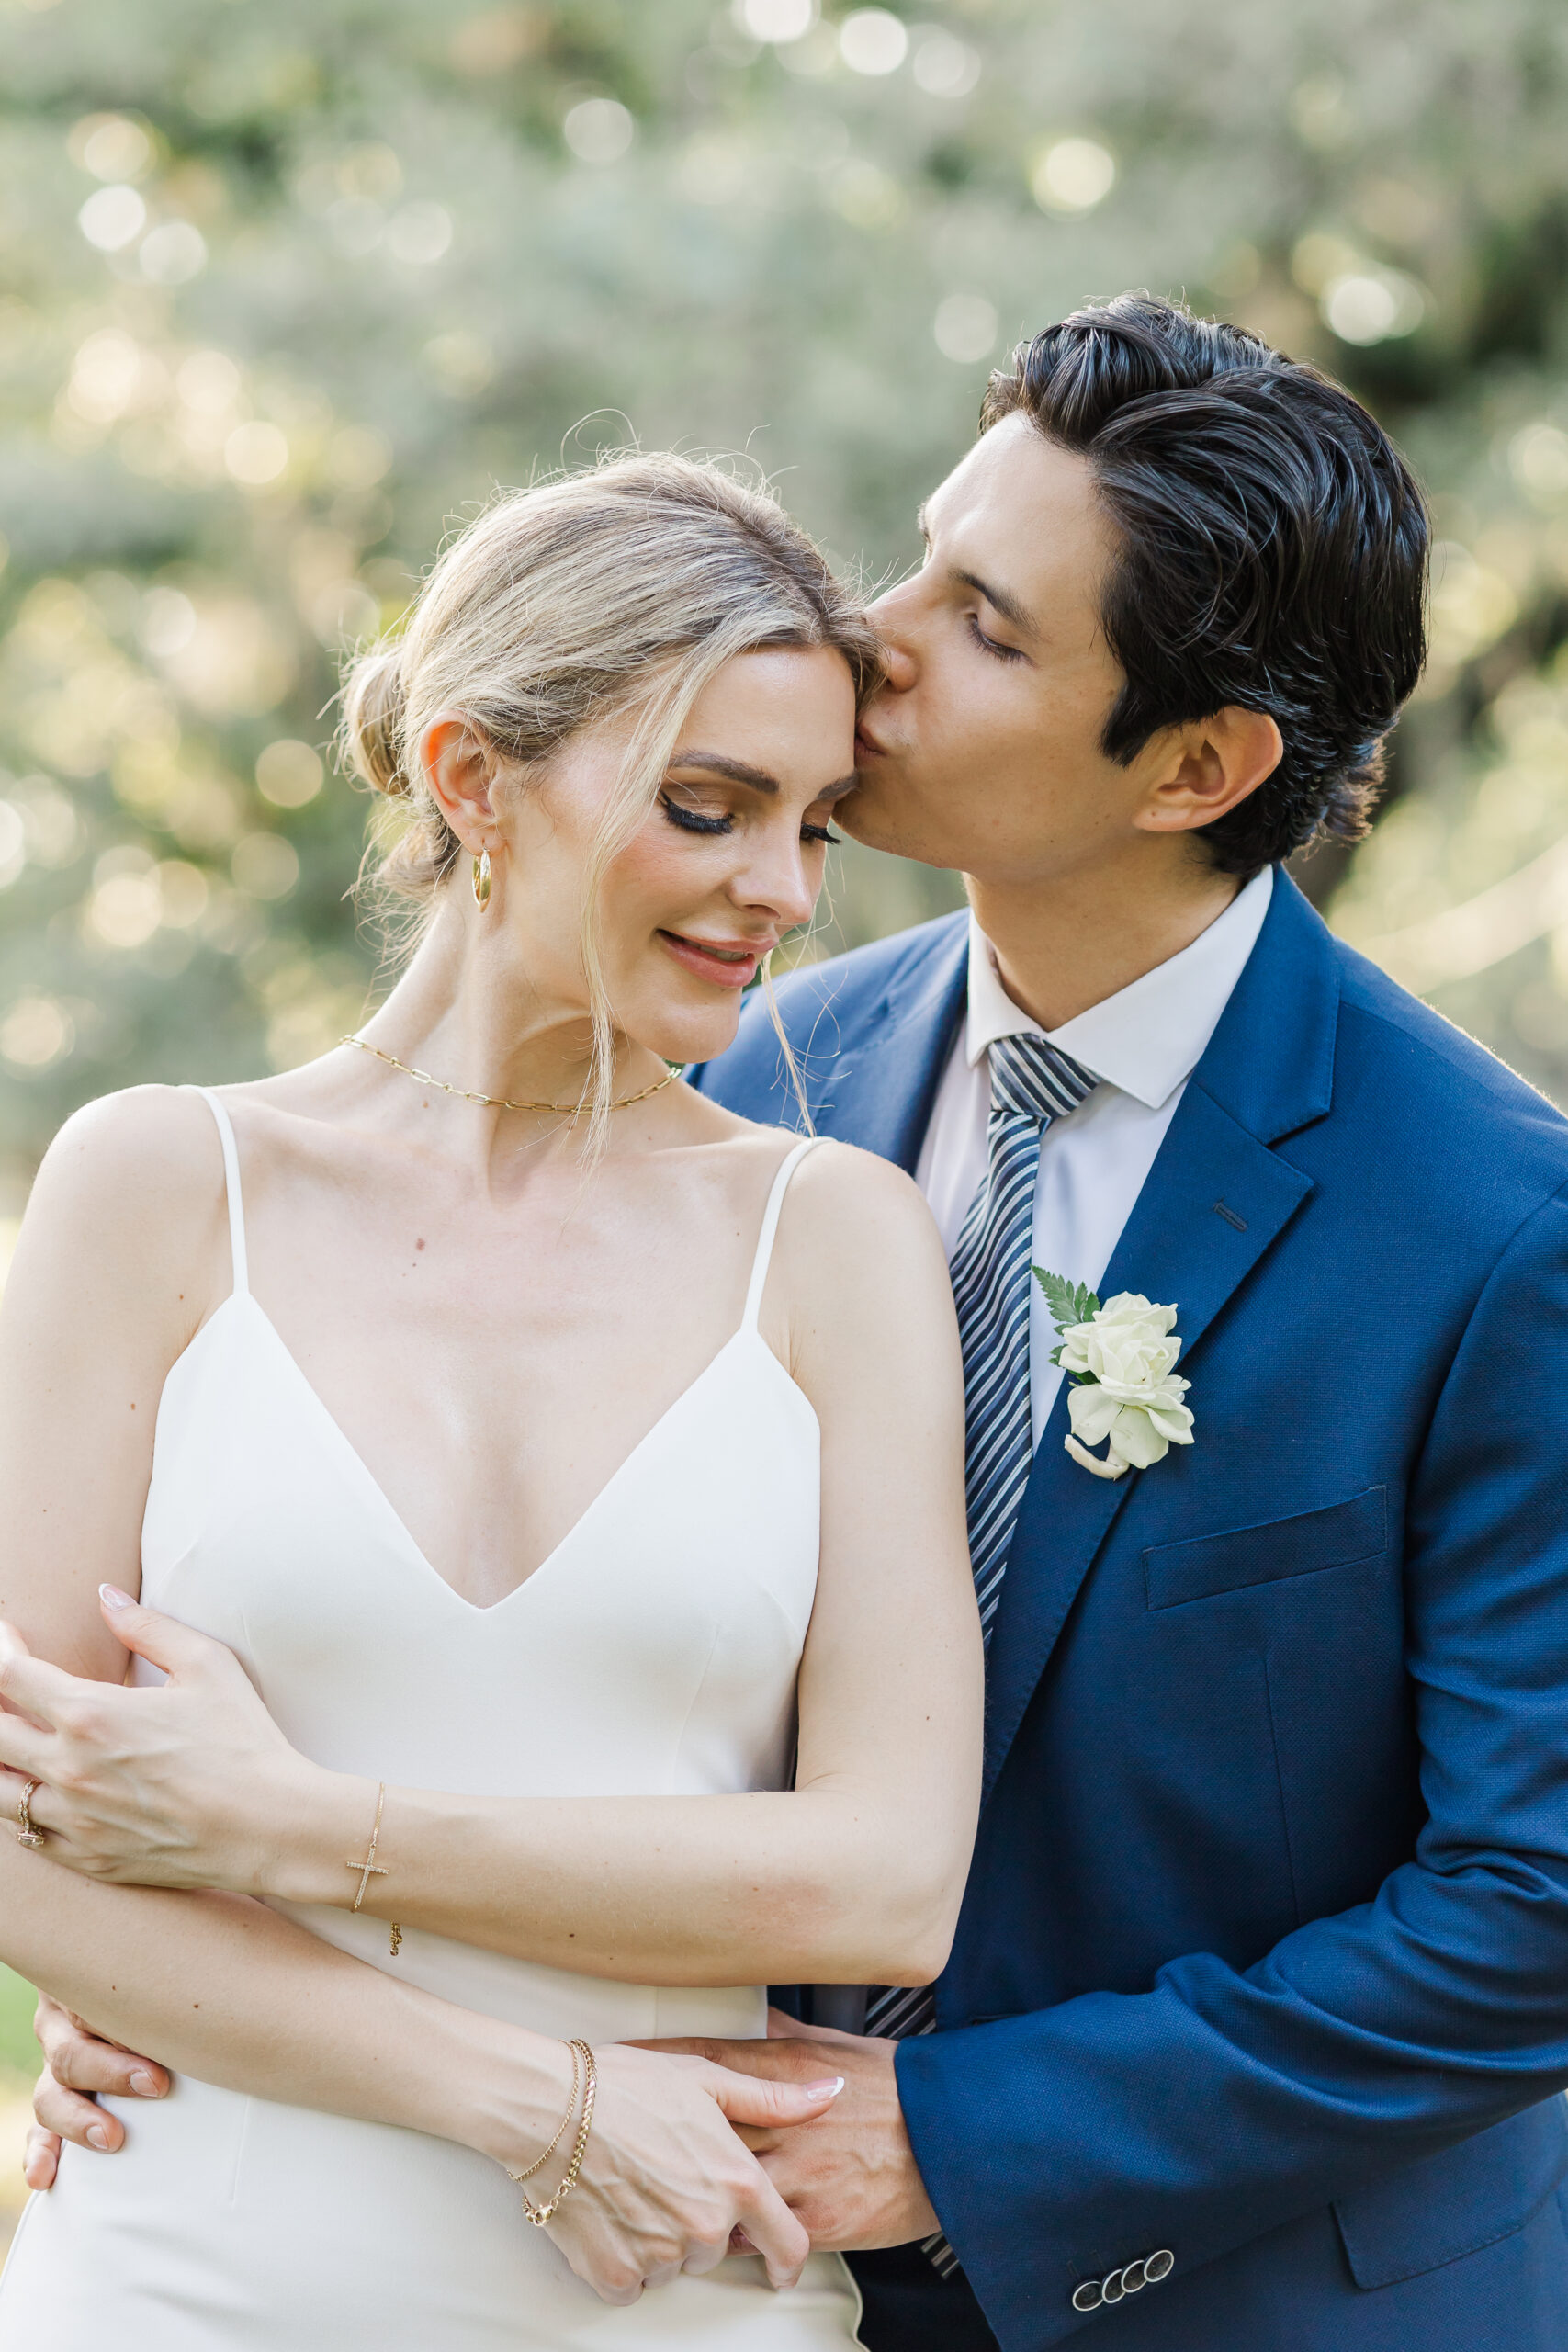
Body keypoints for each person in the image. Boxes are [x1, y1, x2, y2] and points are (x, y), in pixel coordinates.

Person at [653, 298, 1568, 2350]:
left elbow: (1534, 1909)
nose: (870, 633)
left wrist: (963, 2137)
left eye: (981, 622)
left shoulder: (1499, 1233)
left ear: (1198, 765)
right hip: (717, 2276)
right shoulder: (748, 1081)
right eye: (916, 551)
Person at [0, 453, 983, 2347]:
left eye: (816, 823)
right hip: (180, 2281)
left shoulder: (832, 1241)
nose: (777, 888)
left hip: (678, 2300)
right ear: (470, 777)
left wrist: (295, 1822)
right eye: (709, 807)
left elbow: (880, 1878)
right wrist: (534, 2096)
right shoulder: (154, 1186)